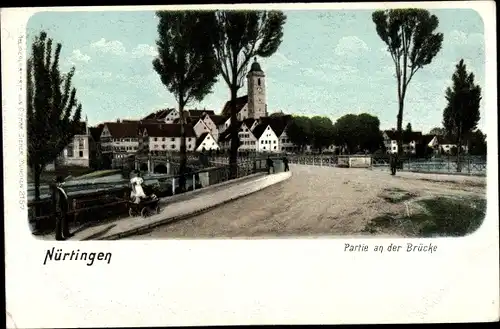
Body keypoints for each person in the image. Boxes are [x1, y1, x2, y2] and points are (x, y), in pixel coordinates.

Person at [51, 176, 73, 241]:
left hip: (64, 208)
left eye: (62, 183)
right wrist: (57, 210)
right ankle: (58, 237)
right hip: (60, 209)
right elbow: (56, 201)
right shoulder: (56, 191)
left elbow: (64, 198)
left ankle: (66, 233)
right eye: (61, 183)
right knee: (59, 223)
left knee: (65, 221)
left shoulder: (61, 189)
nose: (62, 184)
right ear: (58, 183)